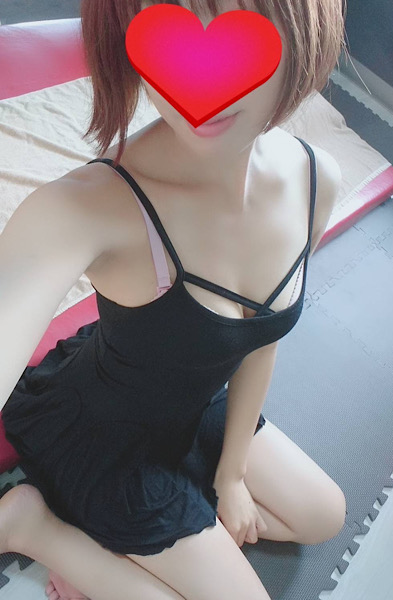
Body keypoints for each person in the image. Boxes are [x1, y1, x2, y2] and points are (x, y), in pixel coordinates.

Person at [0, 1, 348, 599]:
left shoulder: (316, 178)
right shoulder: (85, 206)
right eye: (164, 38)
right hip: (102, 438)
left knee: (324, 515)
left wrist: (232, 476)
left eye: (240, 40)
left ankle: (149, 533)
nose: (200, 87)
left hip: (196, 402)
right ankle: (33, 527)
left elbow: (260, 344)